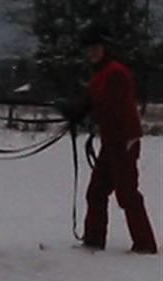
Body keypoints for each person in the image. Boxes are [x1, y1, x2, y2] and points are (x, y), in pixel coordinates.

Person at [64, 25, 158, 254]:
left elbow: (110, 105)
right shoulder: (100, 74)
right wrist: (78, 110)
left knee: (127, 194)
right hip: (112, 141)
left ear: (105, 48)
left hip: (123, 141)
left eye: (96, 48)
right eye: (90, 49)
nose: (92, 53)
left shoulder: (115, 73)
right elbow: (94, 100)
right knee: (96, 192)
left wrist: (82, 111)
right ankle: (94, 240)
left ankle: (145, 244)